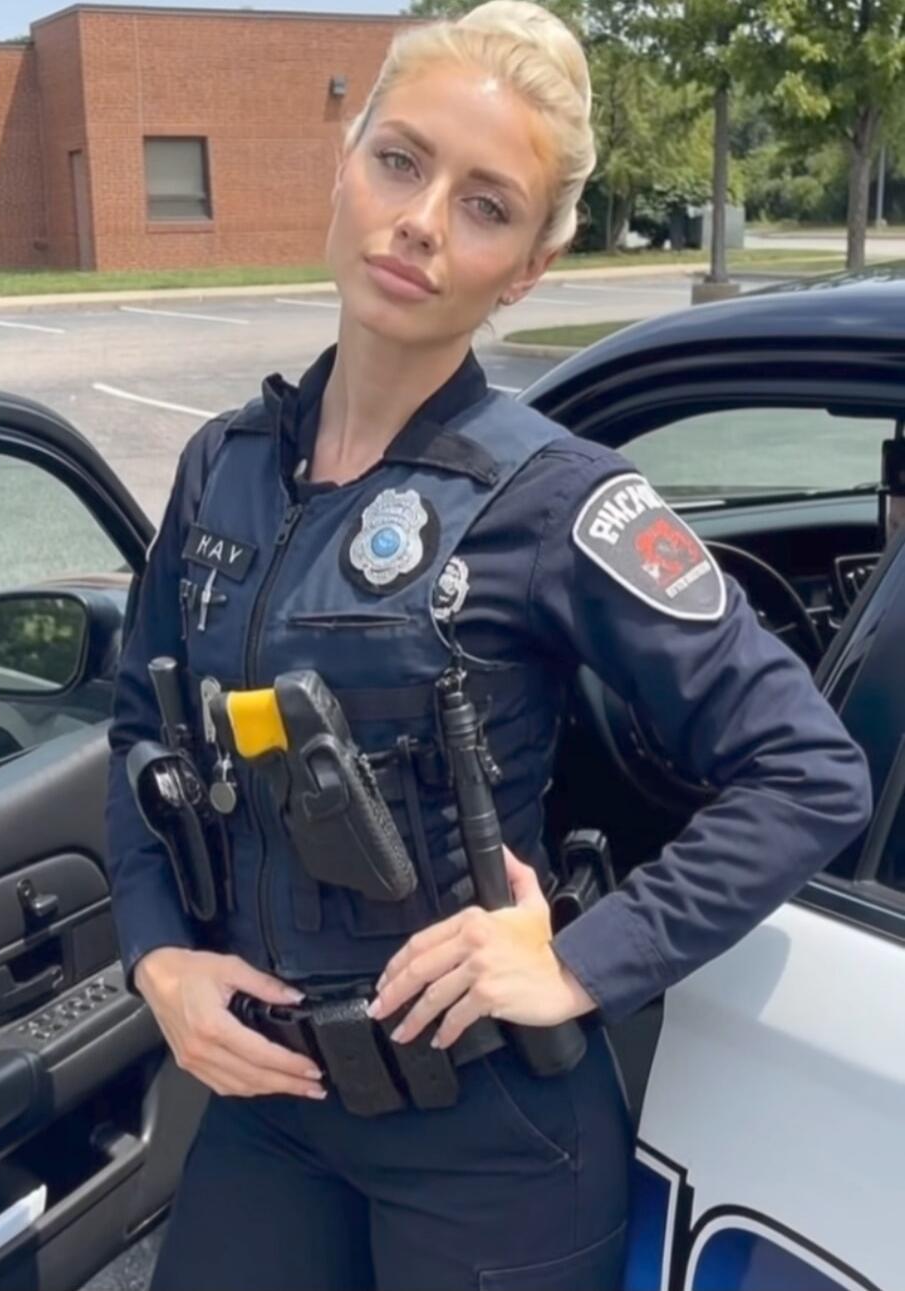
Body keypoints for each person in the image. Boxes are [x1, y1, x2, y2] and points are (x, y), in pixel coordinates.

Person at [104, 4, 873, 1289]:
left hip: (489, 1141)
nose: (420, 221)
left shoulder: (564, 498)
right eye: (400, 163)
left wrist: (581, 957)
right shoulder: (218, 469)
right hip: (269, 1102)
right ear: (344, 162)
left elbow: (809, 773)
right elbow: (142, 730)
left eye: (485, 204)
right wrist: (159, 959)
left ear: (528, 266)